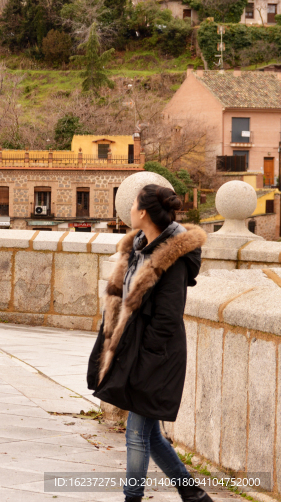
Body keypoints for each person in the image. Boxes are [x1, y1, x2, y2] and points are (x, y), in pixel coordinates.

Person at [87, 185, 210, 502]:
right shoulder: (136, 248)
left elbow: (167, 319)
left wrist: (145, 363)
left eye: (133, 204)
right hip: (135, 351)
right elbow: (119, 302)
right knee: (151, 435)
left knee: (137, 433)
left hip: (157, 355)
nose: (129, 209)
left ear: (142, 212)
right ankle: (194, 496)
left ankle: (133, 498)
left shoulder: (173, 259)